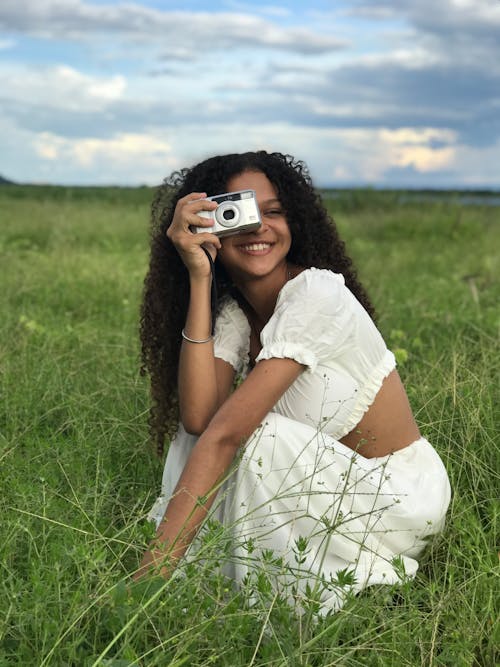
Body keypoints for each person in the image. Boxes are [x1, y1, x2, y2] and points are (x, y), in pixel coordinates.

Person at [136, 151, 450, 611]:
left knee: (250, 434)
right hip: (330, 497)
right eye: (237, 211)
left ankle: (177, 584)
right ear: (209, 225)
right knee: (208, 432)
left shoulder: (316, 294)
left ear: (297, 221)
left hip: (396, 501)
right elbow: (199, 419)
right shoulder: (235, 315)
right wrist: (199, 277)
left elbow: (225, 435)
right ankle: (199, 584)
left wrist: (146, 577)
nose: (258, 226)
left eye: (276, 211)